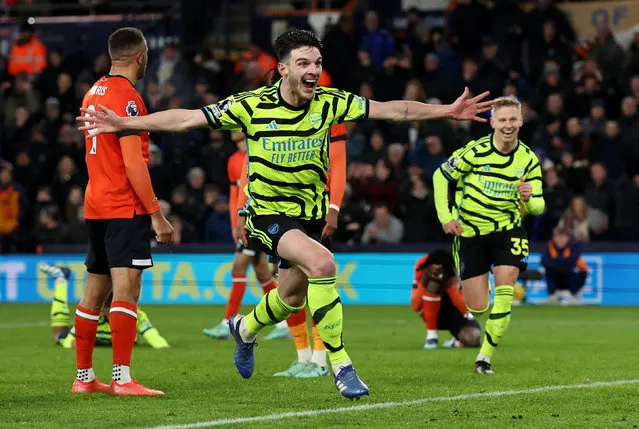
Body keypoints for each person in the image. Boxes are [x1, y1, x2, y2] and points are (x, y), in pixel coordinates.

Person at [78, 29, 492, 399]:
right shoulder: (252, 106)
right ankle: (343, 366)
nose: (313, 70)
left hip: (309, 216)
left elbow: (393, 110)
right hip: (269, 215)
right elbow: (187, 119)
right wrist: (124, 123)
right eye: (304, 63)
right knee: (323, 263)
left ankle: (245, 328)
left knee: (291, 296)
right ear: (282, 70)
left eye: (317, 63)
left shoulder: (331, 104)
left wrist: (445, 112)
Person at [74, 27, 174, 396]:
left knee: (94, 289)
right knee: (126, 289)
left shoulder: (92, 92)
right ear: (139, 56)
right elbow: (134, 164)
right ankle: (122, 378)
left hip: (95, 201)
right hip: (123, 204)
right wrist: (156, 214)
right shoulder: (128, 99)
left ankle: (84, 379)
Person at [432, 95, 545, 374]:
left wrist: (529, 199)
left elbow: (540, 205)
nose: (508, 125)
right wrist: (446, 217)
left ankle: (484, 357)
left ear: (521, 121)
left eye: (513, 119)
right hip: (471, 234)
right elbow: (439, 176)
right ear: (493, 122)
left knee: (505, 293)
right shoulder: (475, 151)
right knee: (478, 307)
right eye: (502, 119)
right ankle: (487, 292)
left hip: (508, 231)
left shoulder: (528, 160)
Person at [270, 122, 348, 378]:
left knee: (317, 281)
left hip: (315, 208)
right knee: (287, 287)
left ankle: (320, 360)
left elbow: (337, 165)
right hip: (280, 209)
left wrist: (334, 207)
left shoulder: (329, 116)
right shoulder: (272, 115)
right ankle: (303, 358)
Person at [202, 131, 290, 341]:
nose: (233, 129)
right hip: (246, 222)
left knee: (238, 266)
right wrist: (235, 223)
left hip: (260, 218)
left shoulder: (263, 150)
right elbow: (235, 195)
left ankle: (227, 321)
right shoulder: (233, 160)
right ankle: (283, 323)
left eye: (237, 125)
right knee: (262, 272)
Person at [41, 264, 169, 349]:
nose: (116, 312)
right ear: (102, 308)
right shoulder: (92, 316)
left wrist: (163, 346)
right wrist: (79, 343)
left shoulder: (134, 314)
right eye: (111, 308)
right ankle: (61, 280)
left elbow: (153, 336)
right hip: (80, 336)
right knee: (58, 336)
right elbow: (70, 342)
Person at [410, 250, 481, 349]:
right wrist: (424, 282)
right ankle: (431, 336)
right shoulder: (422, 265)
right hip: (433, 314)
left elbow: (464, 308)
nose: (437, 270)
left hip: (457, 313)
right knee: (433, 285)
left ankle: (457, 340)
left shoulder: (458, 268)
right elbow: (415, 306)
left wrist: (449, 285)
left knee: (472, 339)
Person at [541, 226, 589, 305]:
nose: (560, 240)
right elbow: (544, 261)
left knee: (573, 271)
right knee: (549, 270)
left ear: (567, 238)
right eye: (557, 237)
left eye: (562, 237)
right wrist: (562, 262)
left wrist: (556, 260)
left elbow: (572, 261)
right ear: (553, 238)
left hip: (573, 277)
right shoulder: (550, 246)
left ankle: (573, 295)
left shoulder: (575, 246)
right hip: (558, 276)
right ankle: (552, 296)